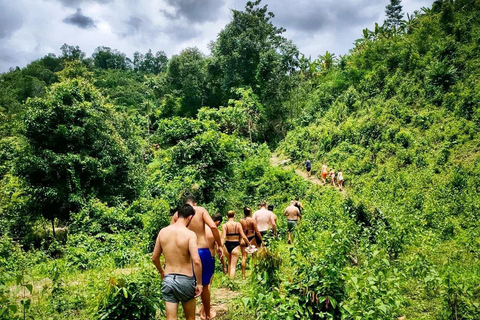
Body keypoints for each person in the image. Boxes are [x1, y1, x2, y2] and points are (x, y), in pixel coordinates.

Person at [170, 196, 222, 320]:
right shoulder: (201, 210)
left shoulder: (178, 214)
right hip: (202, 251)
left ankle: (187, 314)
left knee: (187, 284)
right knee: (204, 286)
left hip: (185, 252)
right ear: (195, 203)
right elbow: (214, 227)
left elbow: (171, 231)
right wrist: (219, 244)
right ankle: (207, 314)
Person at [152, 204, 202, 320]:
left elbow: (154, 257)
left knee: (171, 318)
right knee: (190, 318)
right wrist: (199, 283)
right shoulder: (189, 234)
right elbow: (197, 261)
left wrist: (162, 272)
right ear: (190, 217)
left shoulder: (163, 232)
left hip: (168, 279)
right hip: (186, 280)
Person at [200, 213, 225, 320]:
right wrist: (224, 265)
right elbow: (220, 251)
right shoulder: (215, 231)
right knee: (207, 285)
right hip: (209, 257)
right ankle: (205, 312)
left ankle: (202, 311)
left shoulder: (198, 228)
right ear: (217, 222)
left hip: (196, 256)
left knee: (198, 284)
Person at [222, 210, 251, 279]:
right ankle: (231, 282)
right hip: (235, 244)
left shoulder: (224, 225)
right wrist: (248, 243)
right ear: (234, 216)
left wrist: (220, 246)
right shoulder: (238, 224)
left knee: (229, 263)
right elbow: (243, 235)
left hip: (227, 244)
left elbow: (223, 237)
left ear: (226, 216)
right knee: (233, 266)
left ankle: (229, 281)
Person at [240, 207, 262, 279]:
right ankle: (255, 273)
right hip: (251, 238)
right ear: (250, 213)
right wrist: (261, 239)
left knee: (244, 257)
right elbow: (257, 231)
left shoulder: (241, 221)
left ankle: (243, 275)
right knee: (254, 256)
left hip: (243, 239)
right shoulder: (252, 220)